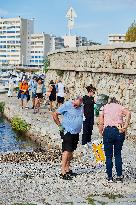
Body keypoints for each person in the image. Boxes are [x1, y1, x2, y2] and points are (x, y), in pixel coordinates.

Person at [98, 97, 131, 182]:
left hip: (108, 131)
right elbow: (128, 113)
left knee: (108, 156)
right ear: (116, 101)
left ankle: (109, 177)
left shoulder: (104, 107)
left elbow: (101, 121)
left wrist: (101, 131)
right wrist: (125, 126)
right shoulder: (120, 107)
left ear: (109, 102)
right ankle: (119, 176)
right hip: (119, 130)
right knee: (117, 154)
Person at [53, 96, 83, 180]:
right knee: (66, 150)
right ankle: (62, 172)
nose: (75, 106)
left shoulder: (81, 107)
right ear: (73, 100)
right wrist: (59, 126)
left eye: (77, 105)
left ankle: (67, 169)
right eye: (74, 104)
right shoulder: (67, 105)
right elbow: (55, 114)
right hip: (67, 131)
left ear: (81, 103)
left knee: (71, 150)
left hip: (76, 132)